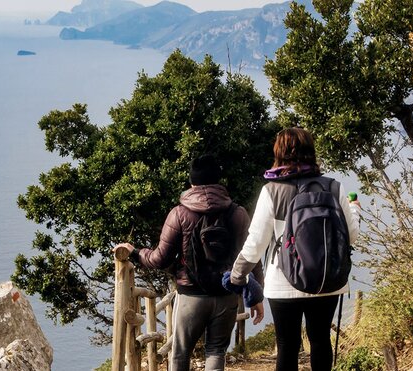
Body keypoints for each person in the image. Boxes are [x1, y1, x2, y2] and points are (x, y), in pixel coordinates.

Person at [114, 154, 264, 371]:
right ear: (218, 181)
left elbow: (159, 259)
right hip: (226, 294)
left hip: (191, 295)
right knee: (216, 351)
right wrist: (256, 294)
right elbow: (252, 256)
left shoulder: (179, 213)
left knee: (180, 354)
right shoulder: (238, 213)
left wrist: (135, 252)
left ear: (192, 182)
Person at [227, 128, 361, 371]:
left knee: (287, 345)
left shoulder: (272, 191)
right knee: (320, 340)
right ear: (311, 151)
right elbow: (352, 236)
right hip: (327, 280)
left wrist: (237, 274)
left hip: (283, 282)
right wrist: (355, 210)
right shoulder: (334, 187)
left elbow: (256, 242)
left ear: (279, 153)